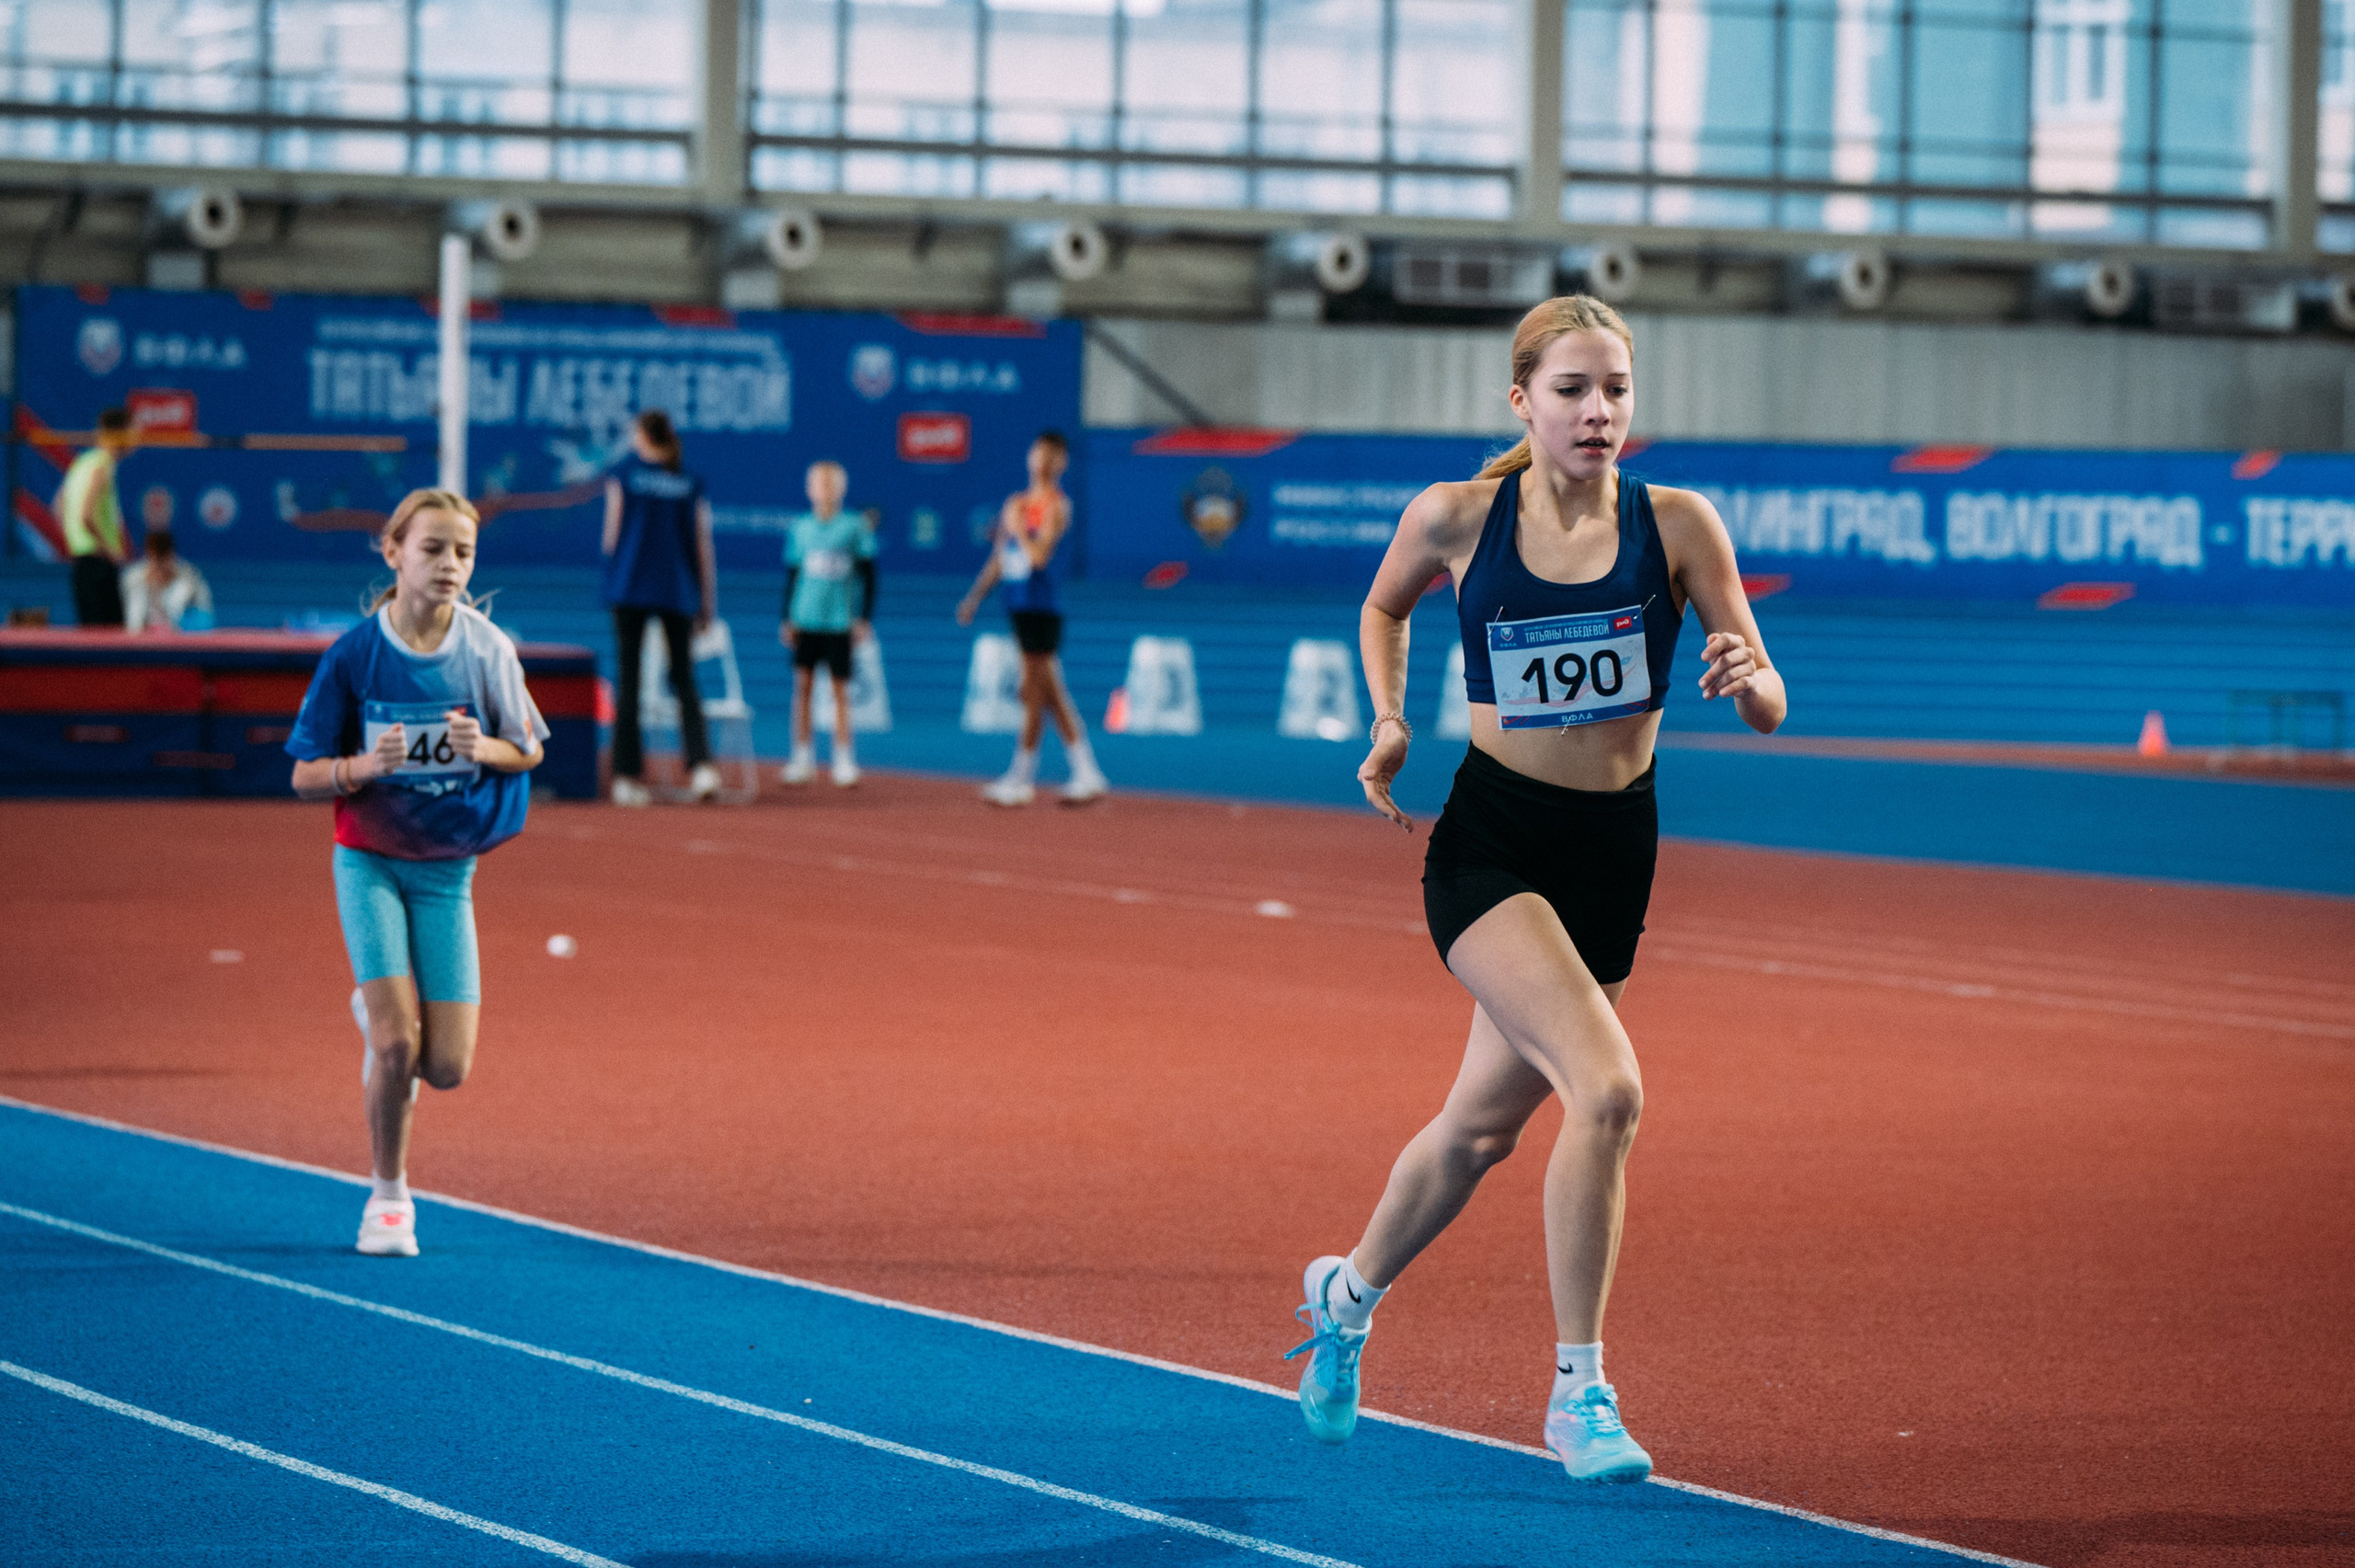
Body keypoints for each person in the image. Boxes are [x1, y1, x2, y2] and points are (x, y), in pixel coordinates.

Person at [1286, 296, 1786, 1482]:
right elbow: (1379, 604)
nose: (1597, 410)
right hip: (1492, 848)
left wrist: (1748, 672)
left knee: (1477, 1131)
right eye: (1571, 390)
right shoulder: (1459, 518)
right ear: (1523, 402)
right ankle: (1579, 1392)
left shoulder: (1680, 526)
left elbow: (1766, 699)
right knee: (1606, 1090)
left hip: (1613, 854)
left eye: (1615, 387)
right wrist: (1394, 713)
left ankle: (1343, 1301)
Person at [285, 487, 547, 1257]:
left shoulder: (487, 649)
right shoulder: (355, 656)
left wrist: (483, 749)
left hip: (446, 872)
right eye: (433, 548)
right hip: (368, 862)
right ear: (394, 550)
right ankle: (389, 1197)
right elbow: (303, 775)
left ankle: (380, 1015)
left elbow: (527, 746)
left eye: (462, 552)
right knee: (399, 1047)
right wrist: (364, 765)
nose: (449, 565)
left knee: (448, 1065)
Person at [954, 430, 1108, 807]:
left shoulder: (1057, 506)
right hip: (1018, 607)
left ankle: (1023, 778)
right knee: (1049, 695)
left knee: (1034, 693)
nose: (1042, 461)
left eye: (1052, 456)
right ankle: (1085, 772)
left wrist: (1020, 526)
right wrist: (974, 597)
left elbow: (1039, 557)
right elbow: (999, 559)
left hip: (1043, 608)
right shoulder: (1015, 503)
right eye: (1038, 453)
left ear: (1061, 464)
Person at [603, 409, 720, 807]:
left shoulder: (625, 476)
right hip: (677, 590)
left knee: (630, 680)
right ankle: (702, 767)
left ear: (642, 436)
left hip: (630, 587)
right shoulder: (688, 481)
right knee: (685, 679)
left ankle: (625, 776)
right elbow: (703, 545)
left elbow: (611, 536)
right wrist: (707, 603)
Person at [778, 461, 875, 788]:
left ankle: (843, 759)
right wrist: (787, 618)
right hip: (806, 619)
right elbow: (793, 575)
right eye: (818, 484)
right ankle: (801, 756)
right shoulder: (801, 528)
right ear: (809, 489)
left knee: (840, 691)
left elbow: (869, 575)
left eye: (831, 485)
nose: (824, 490)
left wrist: (863, 619)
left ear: (842, 490)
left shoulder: (855, 527)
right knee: (802, 687)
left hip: (839, 622)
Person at [57, 407, 134, 627]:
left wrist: (74, 542)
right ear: (119, 433)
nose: (136, 439)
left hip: (83, 562)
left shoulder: (83, 462)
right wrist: (107, 550)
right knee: (110, 646)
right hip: (99, 563)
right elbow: (85, 514)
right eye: (132, 432)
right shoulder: (102, 466)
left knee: (92, 643)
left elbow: (60, 505)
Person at [120, 528, 213, 633]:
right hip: (143, 638)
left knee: (182, 587)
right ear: (148, 555)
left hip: (179, 638)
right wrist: (147, 581)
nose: (159, 564)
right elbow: (132, 617)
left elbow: (205, 611)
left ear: (171, 555)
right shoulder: (134, 577)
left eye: (163, 558)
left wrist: (173, 580)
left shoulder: (188, 576)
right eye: (154, 557)